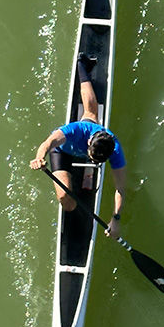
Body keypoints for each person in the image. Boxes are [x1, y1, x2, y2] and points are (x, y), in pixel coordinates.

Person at [30, 54, 127, 238]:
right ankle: (82, 65)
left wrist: (116, 218)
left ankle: (83, 66)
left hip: (90, 137)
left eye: (97, 160)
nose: (92, 160)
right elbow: (48, 143)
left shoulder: (115, 149)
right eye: (92, 156)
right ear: (89, 142)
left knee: (92, 113)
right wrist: (40, 157)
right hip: (62, 151)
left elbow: (121, 187)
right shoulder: (76, 130)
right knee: (64, 198)